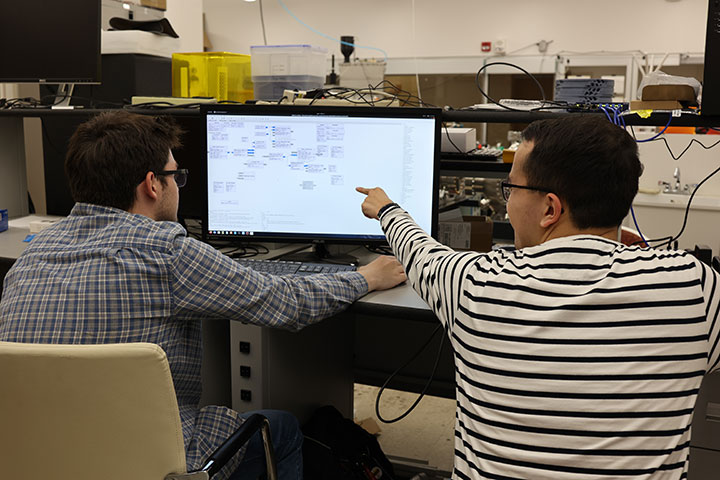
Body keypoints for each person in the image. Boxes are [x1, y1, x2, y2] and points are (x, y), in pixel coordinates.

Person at [0, 111, 407, 480]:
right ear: (152, 185)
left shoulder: (34, 251)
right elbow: (285, 303)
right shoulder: (168, 252)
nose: (179, 183)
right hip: (151, 462)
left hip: (39, 455)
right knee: (279, 427)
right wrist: (367, 277)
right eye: (176, 175)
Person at [357, 115, 720, 480]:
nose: (509, 201)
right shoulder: (694, 287)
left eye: (511, 189)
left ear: (550, 209)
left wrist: (386, 210)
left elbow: (420, 253)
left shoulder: (474, 283)